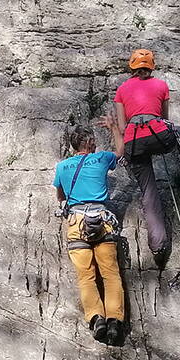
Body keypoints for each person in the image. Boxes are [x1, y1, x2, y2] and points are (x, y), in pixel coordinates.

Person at [113, 48, 180, 269]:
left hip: (133, 142)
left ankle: (158, 246)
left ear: (132, 67)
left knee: (148, 191)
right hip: (158, 134)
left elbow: (123, 126)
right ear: (152, 66)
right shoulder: (161, 85)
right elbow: (164, 118)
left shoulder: (121, 90)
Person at [53, 117, 126, 345]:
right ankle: (115, 321)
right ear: (91, 142)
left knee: (86, 276)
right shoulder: (102, 158)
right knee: (111, 274)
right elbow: (121, 151)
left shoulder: (63, 167)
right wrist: (114, 128)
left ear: (75, 145)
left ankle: (96, 319)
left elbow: (60, 196)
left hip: (77, 223)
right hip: (102, 221)